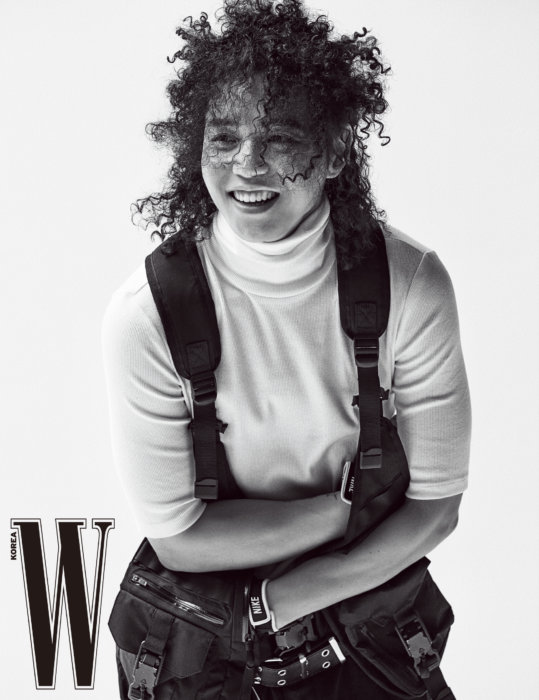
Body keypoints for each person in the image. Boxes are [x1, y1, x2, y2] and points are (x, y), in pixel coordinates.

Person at [102, 0, 471, 697]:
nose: (247, 165)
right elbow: (180, 537)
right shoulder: (146, 314)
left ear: (333, 151)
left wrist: (284, 600)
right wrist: (339, 513)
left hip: (367, 620)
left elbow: (435, 507)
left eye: (279, 138)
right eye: (223, 136)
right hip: (204, 633)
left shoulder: (410, 284)